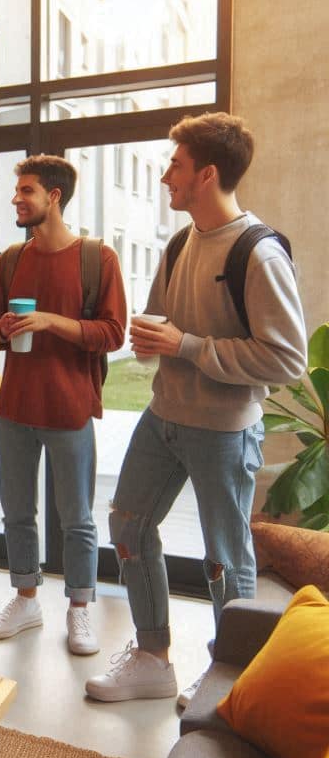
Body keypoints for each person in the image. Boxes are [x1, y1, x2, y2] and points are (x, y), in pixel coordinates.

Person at [86, 112, 306, 703]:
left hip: (224, 431)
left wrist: (184, 345)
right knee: (128, 525)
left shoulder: (259, 252)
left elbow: (287, 359)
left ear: (207, 174)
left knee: (225, 558)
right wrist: (156, 341)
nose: (164, 177)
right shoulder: (181, 241)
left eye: (175, 166)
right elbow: (167, 325)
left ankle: (233, 680)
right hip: (164, 419)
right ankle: (153, 656)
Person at [0, 156, 126, 654]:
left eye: (26, 192)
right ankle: (25, 599)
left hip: (69, 409)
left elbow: (112, 333)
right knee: (16, 512)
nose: (17, 200)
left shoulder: (97, 258)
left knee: (76, 517)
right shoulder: (10, 260)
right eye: (17, 192)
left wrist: (49, 322)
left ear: (54, 197)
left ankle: (80, 609)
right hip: (14, 410)